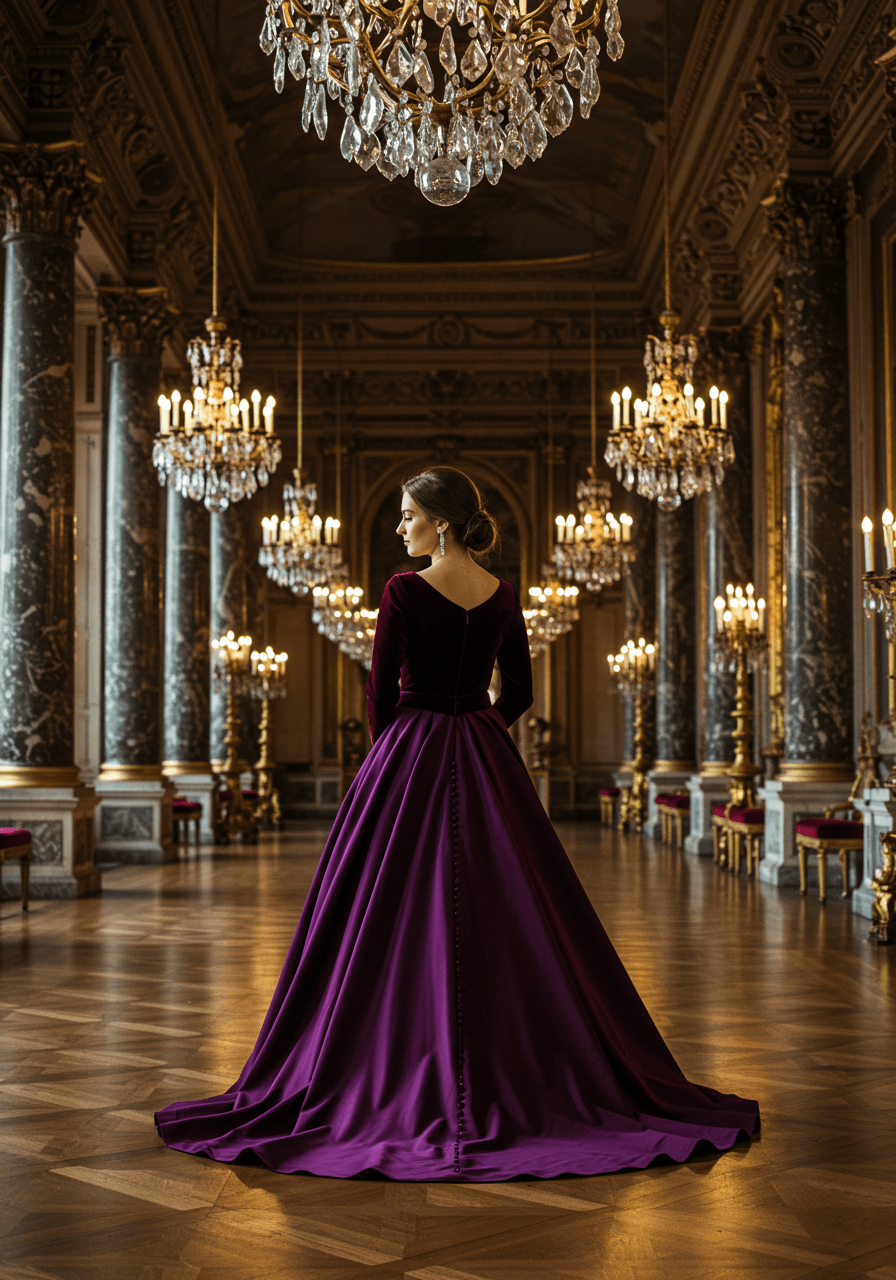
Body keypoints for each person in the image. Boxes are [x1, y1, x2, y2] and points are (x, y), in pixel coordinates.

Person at [155, 466, 759, 1180]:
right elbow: (523, 691)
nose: (400, 526)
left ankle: (380, 1054)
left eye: (409, 515)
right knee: (517, 909)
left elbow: (381, 689)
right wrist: (481, 726)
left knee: (383, 912)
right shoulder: (503, 594)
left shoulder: (404, 591)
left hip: (408, 749)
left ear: (441, 521)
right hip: (483, 751)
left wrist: (393, 757)